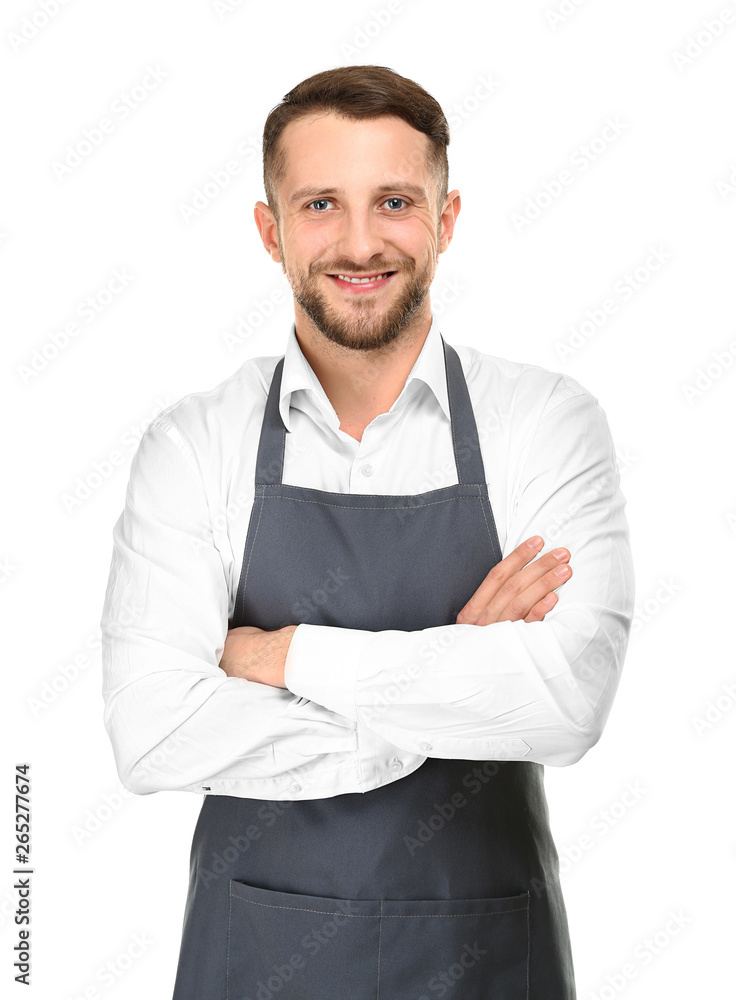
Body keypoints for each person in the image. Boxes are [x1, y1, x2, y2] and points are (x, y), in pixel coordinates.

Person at [100, 64, 634, 999]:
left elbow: (565, 708)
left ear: (447, 218)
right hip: (254, 959)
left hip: (487, 956)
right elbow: (152, 733)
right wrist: (456, 678)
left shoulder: (546, 422)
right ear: (270, 230)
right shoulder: (195, 443)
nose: (358, 242)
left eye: (393, 199)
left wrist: (284, 654)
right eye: (319, 204)